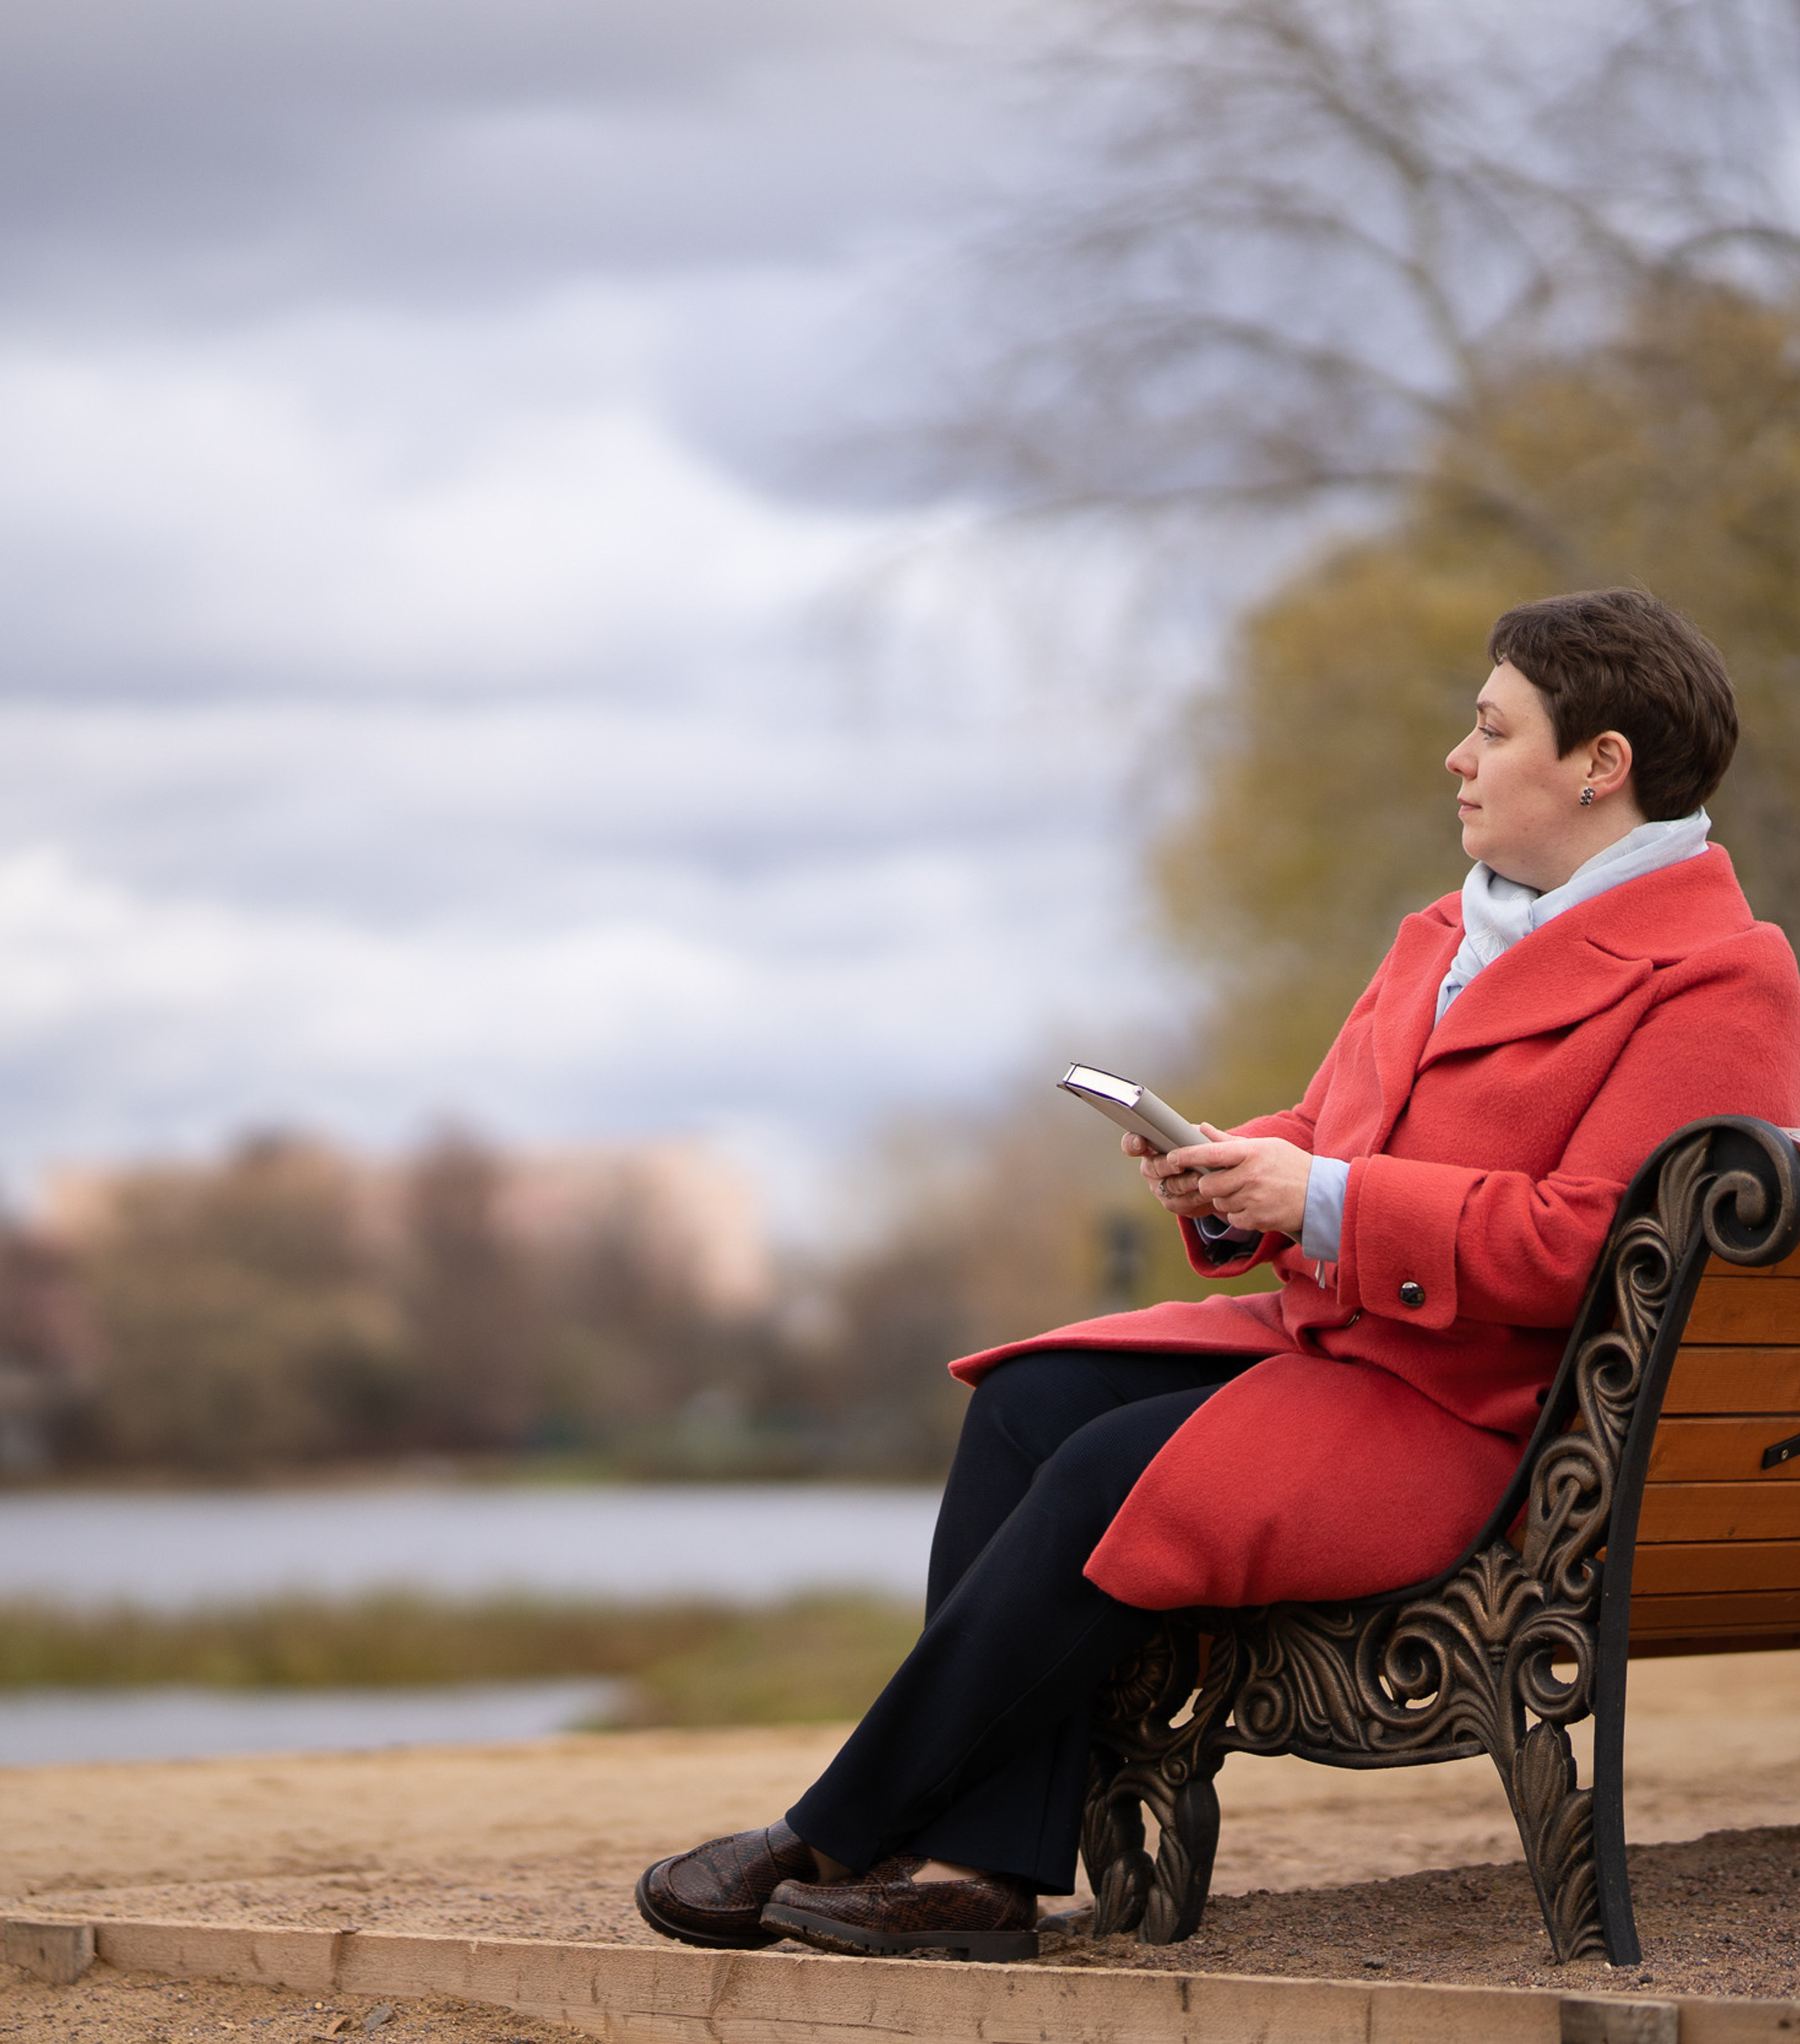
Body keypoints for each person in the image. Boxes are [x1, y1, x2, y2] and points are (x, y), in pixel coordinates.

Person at [634, 588, 1800, 1963]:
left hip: (1494, 1422)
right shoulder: (1452, 931)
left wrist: (1321, 1199)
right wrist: (1236, 1170)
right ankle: (981, 1869)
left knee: (1107, 1475)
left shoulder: (1720, 979)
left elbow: (1583, 1248)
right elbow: (1334, 1135)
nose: (1458, 757)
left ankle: (836, 1825)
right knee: (1029, 1403)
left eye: (1491, 730)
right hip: (1349, 1353)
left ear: (1601, 764)